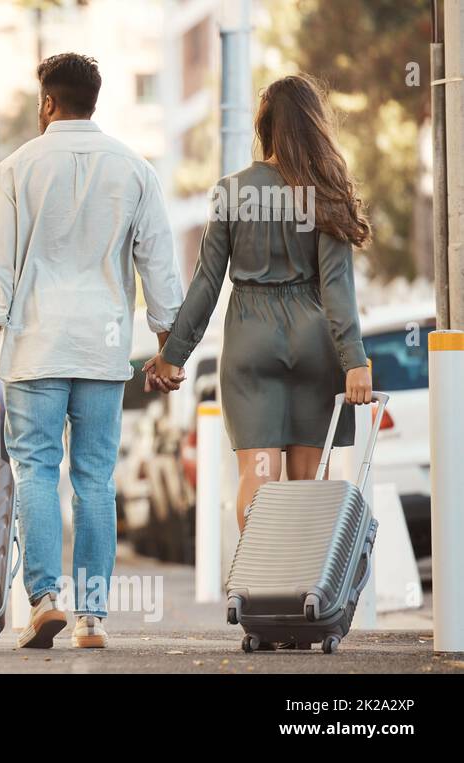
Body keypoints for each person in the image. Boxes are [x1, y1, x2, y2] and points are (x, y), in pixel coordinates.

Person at [0, 53, 184, 648]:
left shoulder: (15, 169)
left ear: (49, 103)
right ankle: (93, 619)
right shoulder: (135, 170)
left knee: (35, 469)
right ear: (94, 100)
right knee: (96, 480)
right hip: (105, 352)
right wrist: (167, 349)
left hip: (36, 348)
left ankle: (45, 599)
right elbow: (159, 266)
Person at [146, 74, 374, 532]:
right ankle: (305, 590)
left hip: (251, 341)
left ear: (264, 127)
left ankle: (258, 589)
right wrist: (355, 361)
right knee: (310, 483)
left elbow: (207, 283)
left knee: (259, 476)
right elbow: (336, 289)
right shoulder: (326, 193)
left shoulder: (232, 191)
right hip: (314, 343)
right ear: (313, 126)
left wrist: (173, 355)